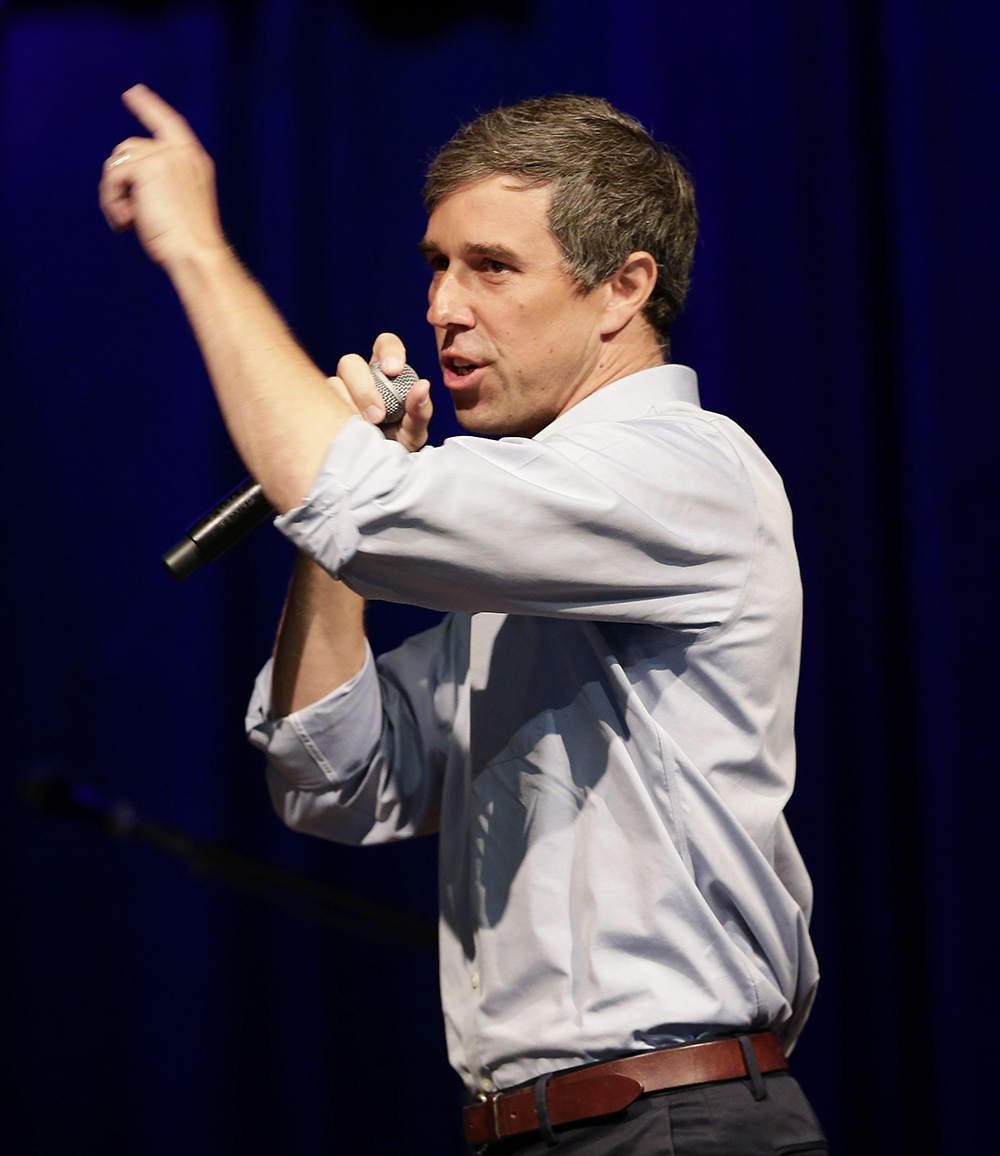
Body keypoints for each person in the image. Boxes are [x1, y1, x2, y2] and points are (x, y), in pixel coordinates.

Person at [100, 86, 825, 1154]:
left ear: (622, 288)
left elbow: (354, 509)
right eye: (437, 264)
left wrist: (198, 251)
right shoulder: (542, 535)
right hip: (539, 1129)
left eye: (490, 267)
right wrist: (345, 523)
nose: (443, 306)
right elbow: (332, 776)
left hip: (670, 1121)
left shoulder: (684, 473)